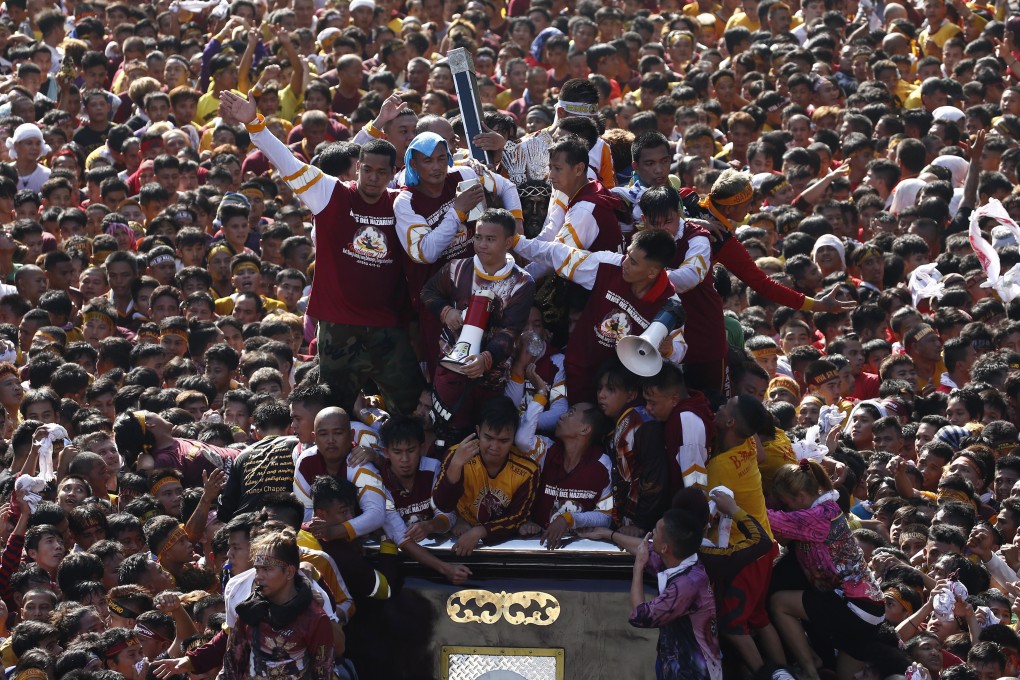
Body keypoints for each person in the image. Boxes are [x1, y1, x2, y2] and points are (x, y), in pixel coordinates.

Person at [221, 530, 335, 679]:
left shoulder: (314, 619)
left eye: (267, 569)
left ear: (289, 572)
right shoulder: (250, 611)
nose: (259, 577)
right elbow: (231, 667)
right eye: (257, 569)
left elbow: (323, 673)